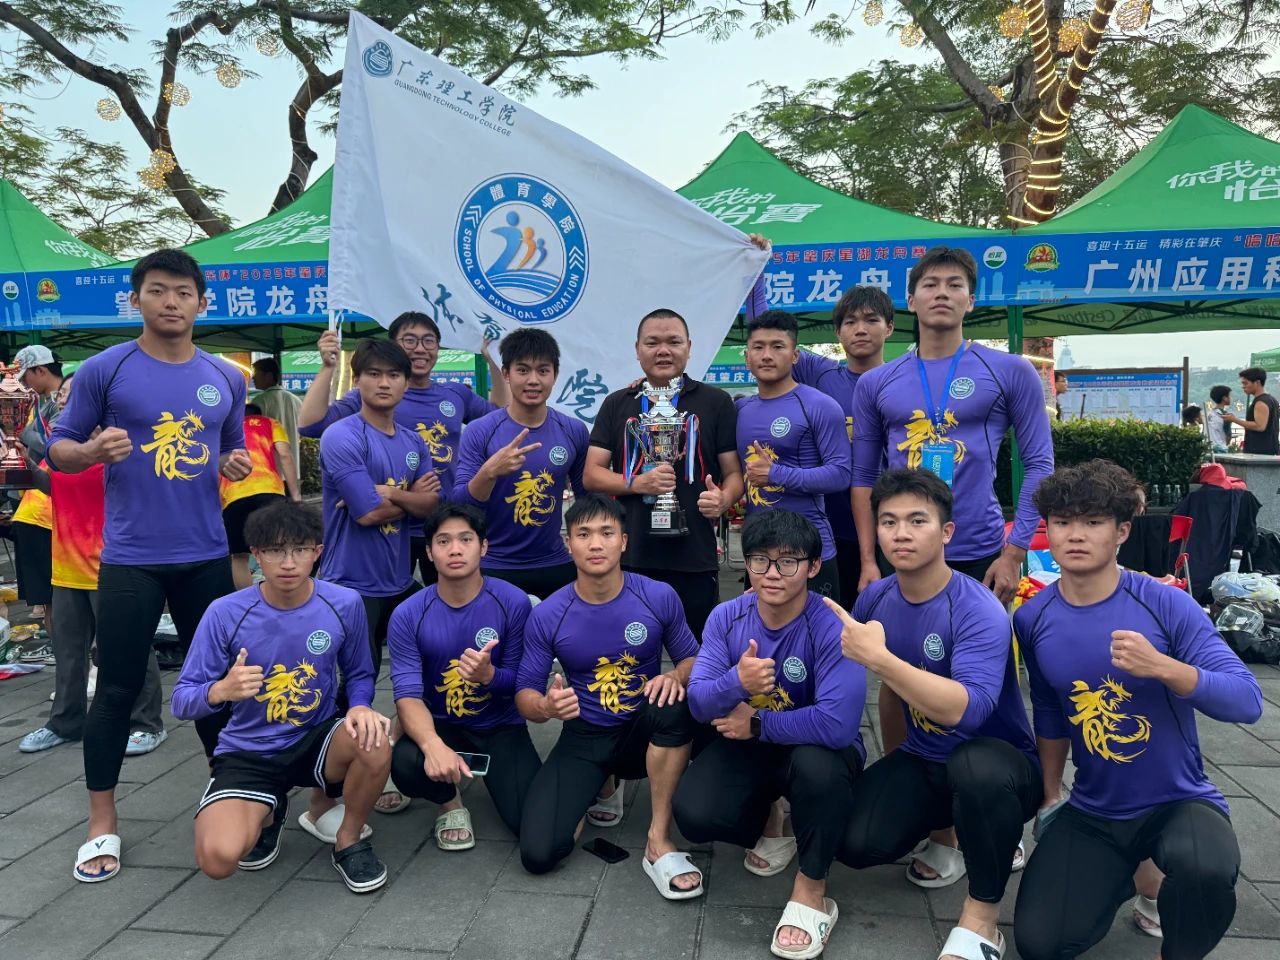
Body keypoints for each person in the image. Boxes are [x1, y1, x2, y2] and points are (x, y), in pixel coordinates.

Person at [1012, 459, 1263, 960]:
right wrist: (1050, 794)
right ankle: (1129, 876)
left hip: (1178, 802)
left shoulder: (1165, 604)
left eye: (1093, 522)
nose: (1075, 535)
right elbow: (1050, 711)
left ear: (1122, 531)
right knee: (1040, 943)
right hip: (1094, 810)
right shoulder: (1033, 617)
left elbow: (1248, 700)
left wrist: (1165, 668)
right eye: (1062, 522)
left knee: (1205, 868)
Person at [830, 468, 1041, 960]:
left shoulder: (977, 609)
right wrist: (896, 765)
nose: (900, 534)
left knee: (975, 768)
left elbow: (967, 710)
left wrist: (881, 659)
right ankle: (949, 831)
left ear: (947, 532)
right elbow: (889, 693)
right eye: (888, 522)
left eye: (917, 520)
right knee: (852, 842)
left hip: (1000, 766)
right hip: (927, 758)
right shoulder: (877, 598)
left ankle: (982, 916)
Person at [172, 500, 393, 894]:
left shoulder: (344, 603)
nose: (289, 562)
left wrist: (361, 706)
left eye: (300, 549)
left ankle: (348, 839)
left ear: (317, 552)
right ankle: (269, 811)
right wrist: (221, 690)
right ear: (256, 555)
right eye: (275, 550)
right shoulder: (224, 612)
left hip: (316, 737)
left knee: (375, 738)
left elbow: (360, 672)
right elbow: (181, 700)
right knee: (217, 860)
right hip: (249, 750)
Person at [674, 510, 867, 959]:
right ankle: (772, 816)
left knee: (819, 769)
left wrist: (759, 723)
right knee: (696, 814)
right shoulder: (727, 617)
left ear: (813, 567)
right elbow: (699, 702)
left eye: (788, 561)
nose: (772, 573)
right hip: (754, 745)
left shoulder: (835, 627)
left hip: (815, 749)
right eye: (760, 560)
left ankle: (812, 887)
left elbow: (837, 724)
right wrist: (736, 682)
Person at [515, 494, 703, 899]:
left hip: (643, 729)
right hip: (585, 735)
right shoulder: (548, 614)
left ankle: (658, 839)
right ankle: (600, 784)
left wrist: (675, 675)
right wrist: (546, 706)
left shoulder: (657, 595)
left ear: (624, 541)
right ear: (568, 544)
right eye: (583, 534)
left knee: (674, 703)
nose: (596, 544)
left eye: (606, 533)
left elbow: (693, 658)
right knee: (538, 853)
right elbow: (525, 695)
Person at [851, 246, 1054, 603]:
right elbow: (864, 477)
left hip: (980, 551)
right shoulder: (875, 382)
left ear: (971, 301)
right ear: (911, 301)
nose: (942, 293)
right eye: (930, 285)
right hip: (901, 550)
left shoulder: (1011, 371)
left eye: (954, 285)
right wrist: (868, 560)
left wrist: (1014, 552)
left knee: (982, 641)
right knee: (900, 642)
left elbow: (1039, 463)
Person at [19, 373, 166, 756]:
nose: (64, 402)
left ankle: (147, 724)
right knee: (68, 654)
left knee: (131, 648)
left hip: (114, 568)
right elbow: (52, 486)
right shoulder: (62, 449)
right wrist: (18, 460)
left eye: (73, 395)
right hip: (66, 569)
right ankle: (66, 722)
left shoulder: (122, 446)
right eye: (63, 395)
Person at [300, 313, 504, 584]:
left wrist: (493, 361)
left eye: (428, 341)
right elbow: (310, 426)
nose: (420, 349)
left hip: (442, 523)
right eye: (409, 340)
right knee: (390, 594)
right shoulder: (373, 394)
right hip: (389, 527)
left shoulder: (456, 394)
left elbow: (499, 416)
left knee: (443, 602)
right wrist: (327, 367)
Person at [387, 503, 541, 849]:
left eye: (465, 539)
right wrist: (432, 745)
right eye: (443, 541)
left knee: (534, 831)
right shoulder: (408, 613)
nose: (455, 550)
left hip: (501, 726)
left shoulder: (513, 602)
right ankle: (449, 803)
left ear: (483, 547)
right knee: (407, 765)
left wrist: (489, 675)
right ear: (429, 552)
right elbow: (407, 694)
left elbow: (521, 685)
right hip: (441, 722)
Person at [585, 307, 744, 640]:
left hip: (695, 556)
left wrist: (724, 498)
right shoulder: (617, 403)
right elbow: (592, 475)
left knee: (698, 653)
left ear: (689, 347)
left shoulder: (716, 402)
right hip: (631, 555)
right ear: (637, 349)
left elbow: (733, 474)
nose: (663, 350)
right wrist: (637, 483)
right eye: (652, 342)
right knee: (629, 652)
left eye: (673, 341)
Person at [316, 339, 439, 681]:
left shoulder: (413, 441)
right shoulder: (342, 435)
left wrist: (391, 495)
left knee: (427, 668)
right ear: (356, 380)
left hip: (400, 582)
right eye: (373, 374)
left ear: (406, 382)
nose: (384, 383)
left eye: (394, 375)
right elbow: (367, 515)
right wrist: (411, 497)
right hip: (350, 585)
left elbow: (432, 506)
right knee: (358, 683)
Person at [454, 328, 588, 599]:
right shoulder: (481, 430)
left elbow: (587, 501)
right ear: (506, 374)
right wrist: (489, 473)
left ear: (555, 375)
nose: (533, 380)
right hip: (492, 565)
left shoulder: (573, 430)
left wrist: (582, 547)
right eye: (523, 370)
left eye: (543, 370)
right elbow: (459, 505)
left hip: (555, 564)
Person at [788, 286, 896, 608]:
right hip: (831, 529)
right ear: (838, 332)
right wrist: (753, 268)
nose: (860, 329)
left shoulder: (905, 381)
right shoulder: (821, 374)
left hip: (892, 528)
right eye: (850, 322)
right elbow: (769, 330)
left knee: (886, 621)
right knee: (833, 621)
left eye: (871, 320)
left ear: (889, 327)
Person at [737, 310, 851, 601]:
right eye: (758, 347)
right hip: (759, 553)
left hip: (810, 552)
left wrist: (776, 474)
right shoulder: (739, 410)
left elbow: (841, 473)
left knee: (819, 631)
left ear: (795, 355)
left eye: (778, 346)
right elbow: (735, 474)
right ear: (747, 357)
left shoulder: (820, 405)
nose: (767, 355)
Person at [221, 403, 300, 590]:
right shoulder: (271, 423)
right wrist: (296, 495)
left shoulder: (224, 428)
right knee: (277, 546)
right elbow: (285, 455)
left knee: (239, 556)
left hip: (233, 496)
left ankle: (249, 601)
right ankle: (278, 596)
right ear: (259, 414)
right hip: (269, 491)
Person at [250, 357, 302, 472]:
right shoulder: (296, 400)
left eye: (256, 374)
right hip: (292, 470)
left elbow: (252, 434)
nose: (253, 378)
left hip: (269, 469)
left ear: (268, 375)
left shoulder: (259, 401)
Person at [1224, 366, 1279, 455]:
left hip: (1259, 452)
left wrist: (1234, 419)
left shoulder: (1260, 402)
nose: (1243, 387)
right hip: (1270, 450)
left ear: (1257, 382)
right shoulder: (1272, 400)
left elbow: (1260, 426)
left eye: (1246, 383)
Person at [1206, 384, 1232, 453]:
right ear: (1224, 398)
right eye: (1229, 396)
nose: (1231, 398)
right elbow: (1228, 436)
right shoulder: (1226, 416)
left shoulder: (1208, 414)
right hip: (1221, 449)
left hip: (1208, 449)